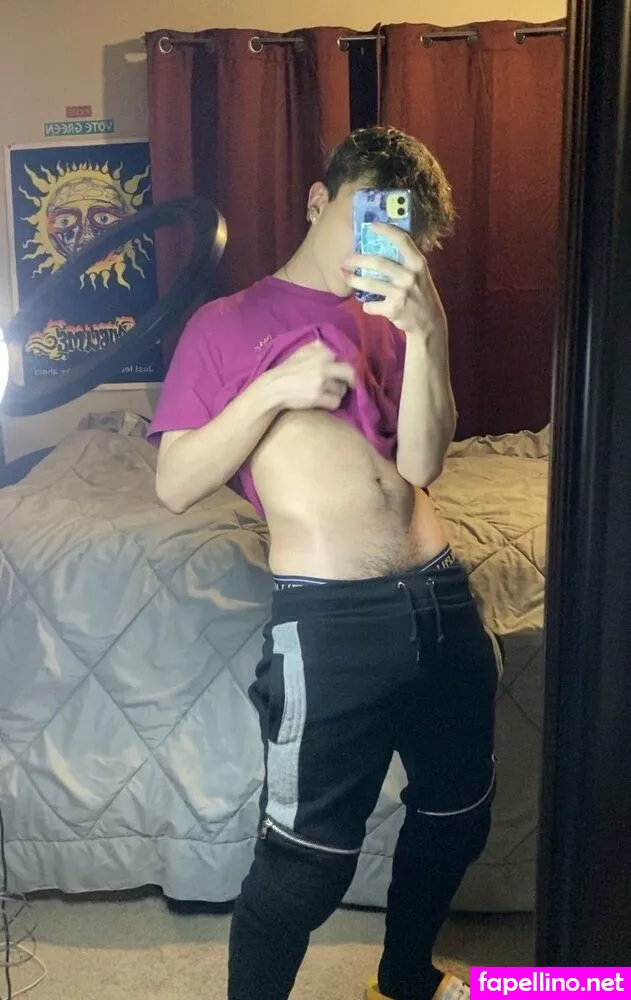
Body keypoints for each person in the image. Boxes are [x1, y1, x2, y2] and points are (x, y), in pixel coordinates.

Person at [149, 126, 499, 1000]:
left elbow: (422, 463)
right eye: (363, 216)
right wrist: (273, 389)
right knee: (306, 865)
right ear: (317, 200)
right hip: (333, 619)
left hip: (439, 594)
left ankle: (403, 979)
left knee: (457, 814)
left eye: (398, 229)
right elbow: (175, 483)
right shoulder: (225, 322)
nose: (377, 242)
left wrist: (429, 330)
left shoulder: (396, 317)